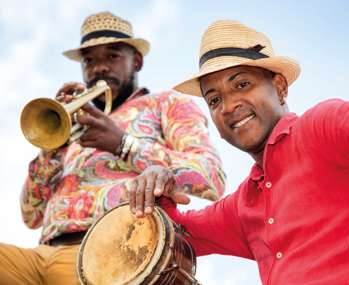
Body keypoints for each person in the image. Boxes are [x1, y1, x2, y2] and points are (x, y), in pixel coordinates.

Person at [129, 20, 349, 284]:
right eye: (214, 100)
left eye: (241, 85)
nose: (227, 106)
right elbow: (171, 236)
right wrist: (156, 188)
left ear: (280, 87)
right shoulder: (243, 205)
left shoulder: (323, 125)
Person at [0, 12, 225, 285]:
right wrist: (53, 147)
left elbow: (211, 176)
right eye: (89, 60)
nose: (99, 68)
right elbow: (30, 215)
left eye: (113, 56)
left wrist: (123, 144)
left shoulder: (165, 104)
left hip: (112, 257)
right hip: (42, 255)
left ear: (137, 61)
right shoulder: (74, 126)